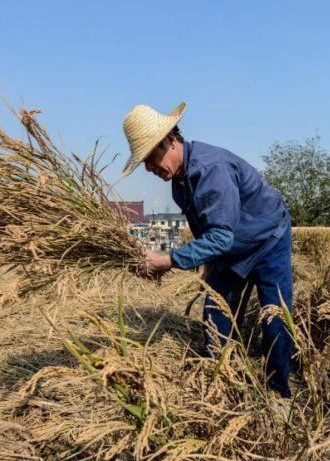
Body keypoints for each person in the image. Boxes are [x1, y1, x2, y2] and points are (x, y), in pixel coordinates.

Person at [120, 102, 294, 398]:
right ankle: (220, 381)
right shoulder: (179, 181)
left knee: (274, 317)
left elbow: (220, 237)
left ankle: (279, 393)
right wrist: (207, 265)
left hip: (268, 239)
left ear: (170, 140)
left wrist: (167, 260)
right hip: (231, 247)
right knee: (216, 316)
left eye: (150, 158)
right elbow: (210, 230)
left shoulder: (211, 169)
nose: (149, 169)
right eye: (144, 163)